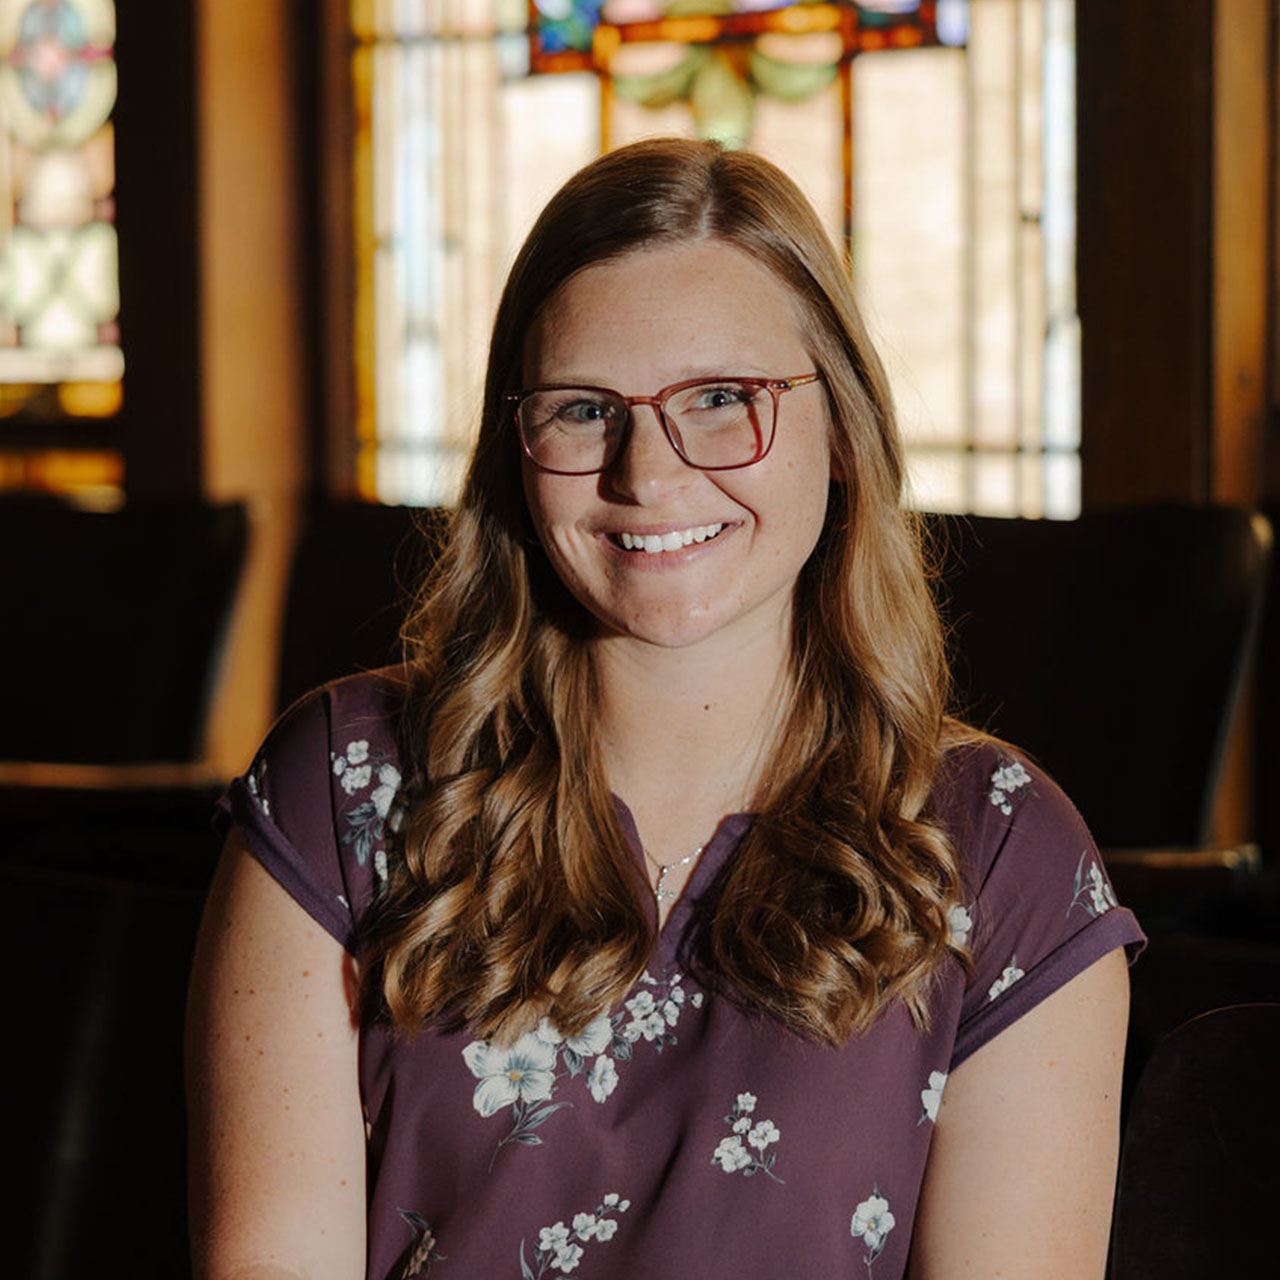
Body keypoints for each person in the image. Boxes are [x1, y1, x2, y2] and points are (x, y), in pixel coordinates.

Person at [186, 138, 1143, 1280]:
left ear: (839, 429)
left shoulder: (999, 857)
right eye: (586, 408)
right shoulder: (345, 789)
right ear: (514, 442)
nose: (648, 473)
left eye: (722, 398)